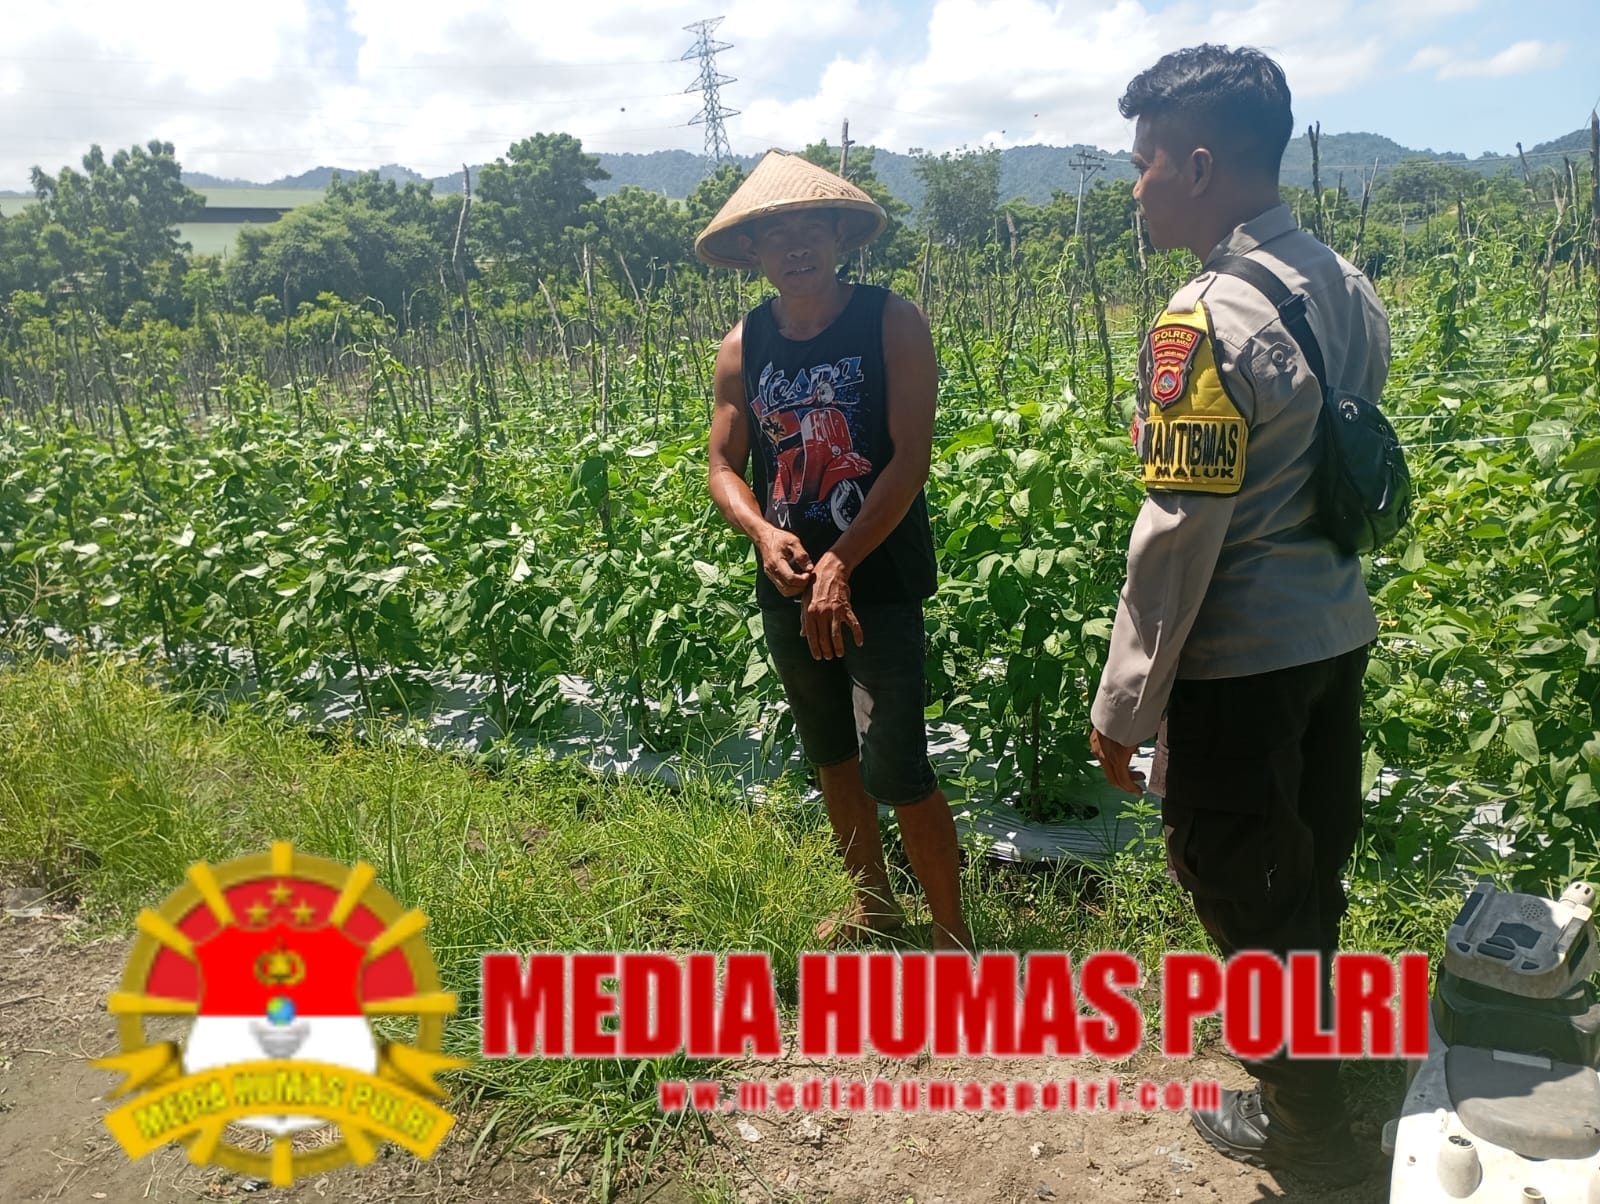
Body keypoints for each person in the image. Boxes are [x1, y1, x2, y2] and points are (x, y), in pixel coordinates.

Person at [1088, 46, 1388, 1187]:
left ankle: (1306, 1126)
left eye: (1145, 164)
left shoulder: (1203, 318)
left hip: (1242, 660)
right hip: (1333, 631)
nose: (1136, 188)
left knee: (1243, 886)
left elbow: (1178, 533)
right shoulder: (1341, 281)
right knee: (1305, 867)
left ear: (1201, 165)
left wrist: (1125, 705)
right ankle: (1322, 1062)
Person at [698, 150, 972, 952]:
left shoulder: (890, 321)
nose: (797, 245)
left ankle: (951, 933)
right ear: (752, 250)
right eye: (777, 234)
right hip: (789, 585)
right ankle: (874, 905)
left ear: (840, 237)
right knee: (831, 753)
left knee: (898, 766)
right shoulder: (742, 345)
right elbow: (722, 465)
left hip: (876, 581)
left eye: (813, 227)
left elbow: (909, 459)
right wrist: (763, 533)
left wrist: (842, 564)